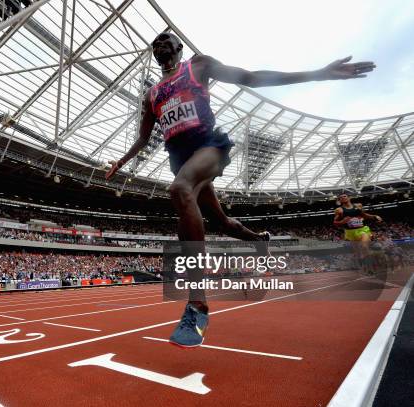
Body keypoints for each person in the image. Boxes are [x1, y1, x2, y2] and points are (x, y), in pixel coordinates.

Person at [106, 32, 376, 347]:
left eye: (165, 40)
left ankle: (197, 302)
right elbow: (143, 137)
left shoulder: (198, 65)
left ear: (179, 47)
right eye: (154, 44)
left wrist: (319, 73)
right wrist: (121, 162)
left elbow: (250, 77)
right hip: (181, 160)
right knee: (221, 222)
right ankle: (259, 240)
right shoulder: (152, 95)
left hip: (208, 147)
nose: (159, 44)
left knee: (180, 190)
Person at [333, 193, 382, 273]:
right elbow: (335, 222)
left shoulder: (358, 206)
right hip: (350, 232)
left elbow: (364, 215)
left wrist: (374, 216)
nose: (343, 198)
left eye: (344, 196)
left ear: (349, 197)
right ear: (340, 200)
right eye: (341, 198)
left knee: (364, 247)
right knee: (358, 253)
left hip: (362, 229)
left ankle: (371, 267)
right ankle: (366, 266)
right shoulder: (339, 210)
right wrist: (342, 221)